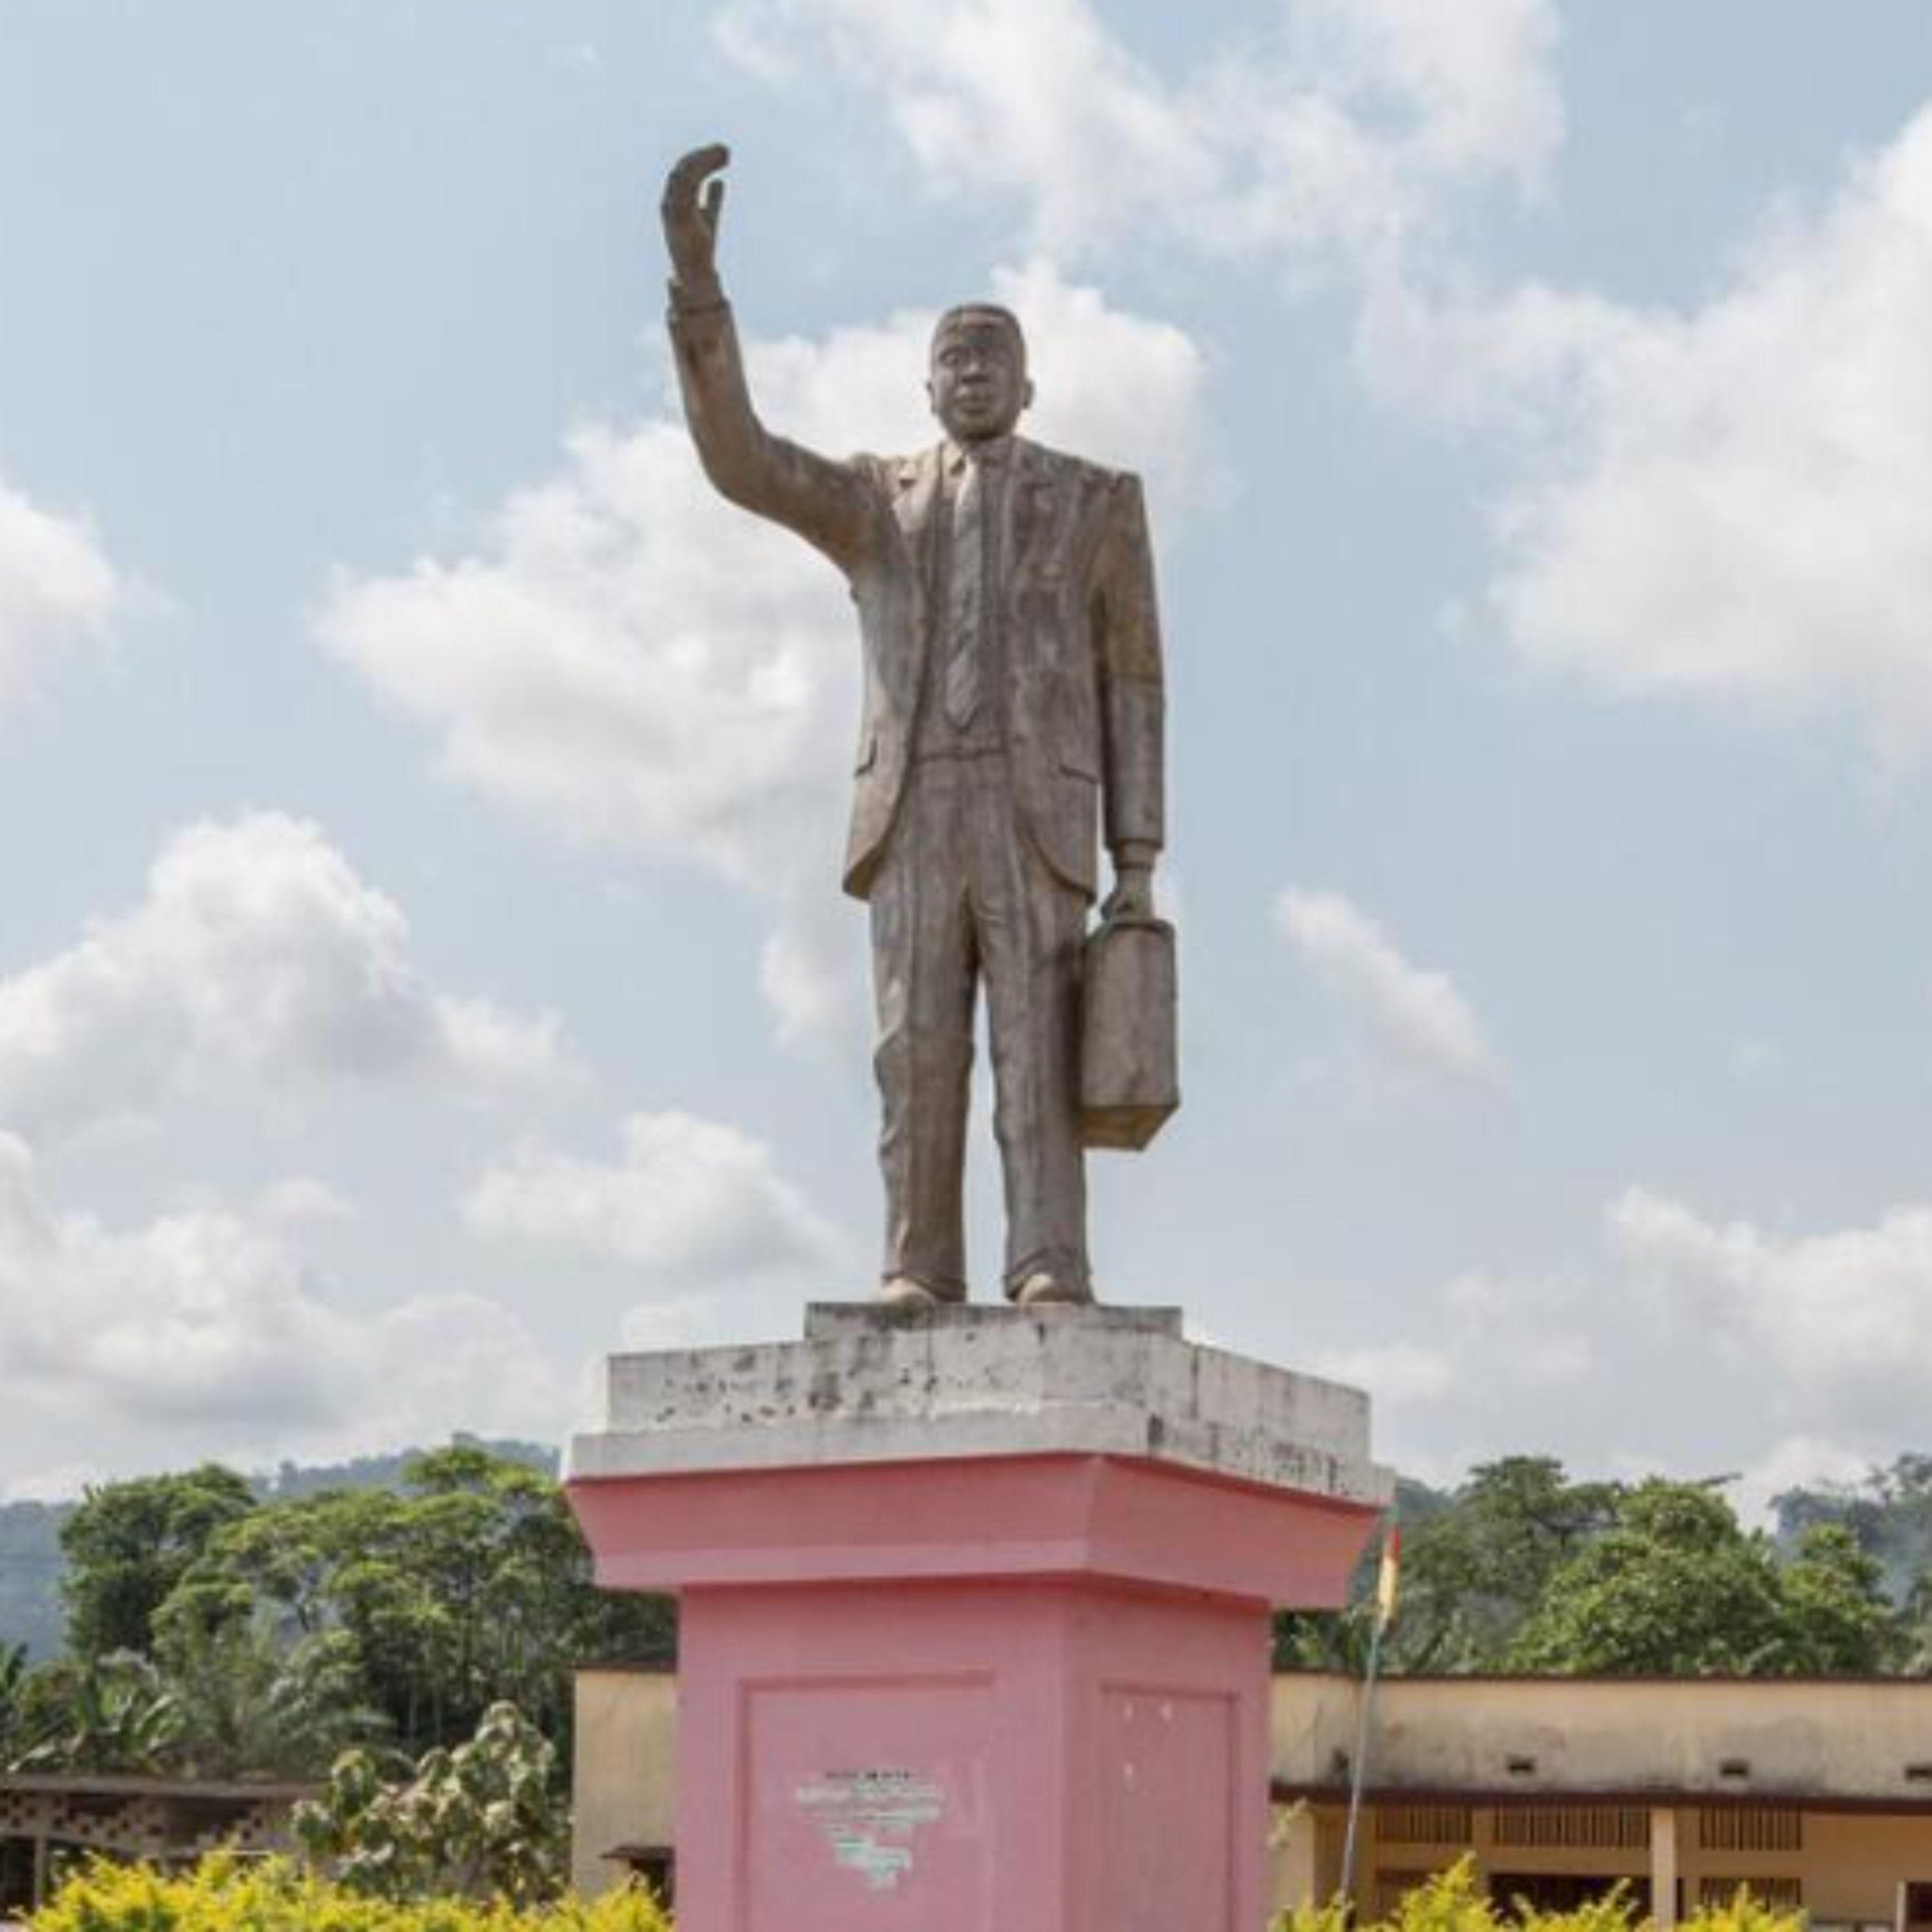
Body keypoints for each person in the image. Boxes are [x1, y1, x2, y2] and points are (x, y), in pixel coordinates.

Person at [661, 144, 1166, 1308]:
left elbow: (1134, 684)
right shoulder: (872, 502)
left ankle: (1047, 1259)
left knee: (1038, 1051)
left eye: (994, 356)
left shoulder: (1097, 502)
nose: (972, 371)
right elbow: (740, 459)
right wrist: (699, 289)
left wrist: (1137, 856)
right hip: (914, 801)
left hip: (1038, 806)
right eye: (953, 356)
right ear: (926, 386)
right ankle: (916, 1263)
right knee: (914, 1052)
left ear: (1028, 387)